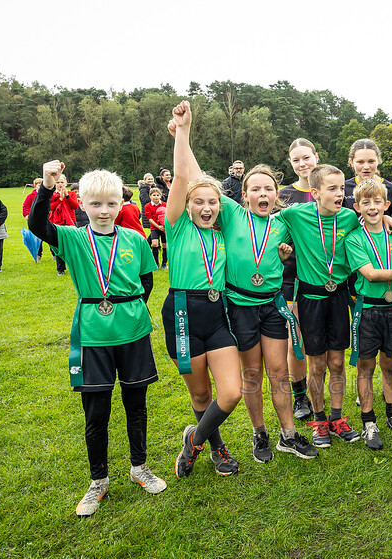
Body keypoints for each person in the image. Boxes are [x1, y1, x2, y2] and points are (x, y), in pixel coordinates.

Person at [29, 160, 165, 517]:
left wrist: (128, 310)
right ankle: (98, 481)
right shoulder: (72, 237)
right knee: (97, 411)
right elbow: (37, 225)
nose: (103, 211)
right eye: (95, 204)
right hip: (92, 334)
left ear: (120, 204)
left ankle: (139, 467)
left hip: (133, 333)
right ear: (82, 203)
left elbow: (147, 281)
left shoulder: (134, 238)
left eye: (111, 204)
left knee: (136, 405)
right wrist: (46, 184)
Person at [214, 159, 319, 462]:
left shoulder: (284, 222)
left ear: (276, 195)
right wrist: (183, 132)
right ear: (244, 195)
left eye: (269, 189)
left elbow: (328, 207)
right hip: (240, 307)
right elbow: (195, 177)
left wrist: (384, 220)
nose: (263, 193)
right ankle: (260, 433)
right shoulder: (233, 214)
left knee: (279, 372)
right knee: (252, 375)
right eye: (255, 189)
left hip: (273, 305)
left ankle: (288, 435)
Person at [166, 101, 242, 478]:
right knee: (199, 394)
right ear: (188, 205)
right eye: (200, 201)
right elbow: (183, 177)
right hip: (182, 311)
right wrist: (184, 130)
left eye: (213, 201)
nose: (207, 206)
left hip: (217, 314)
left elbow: (200, 182)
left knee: (230, 393)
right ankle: (217, 448)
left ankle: (194, 440)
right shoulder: (177, 226)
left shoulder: (223, 231)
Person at [276, 163, 364, 448]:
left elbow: (371, 227)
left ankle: (337, 419)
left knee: (337, 362)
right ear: (315, 193)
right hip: (310, 298)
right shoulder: (295, 214)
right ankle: (319, 419)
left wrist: (387, 221)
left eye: (342, 189)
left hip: (338, 296)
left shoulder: (349, 218)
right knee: (317, 365)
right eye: (333, 189)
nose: (341, 194)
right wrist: (282, 248)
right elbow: (267, 225)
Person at [345, 178, 392, 449]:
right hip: (368, 309)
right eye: (366, 202)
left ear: (387, 204)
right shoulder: (354, 238)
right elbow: (372, 275)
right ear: (357, 207)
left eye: (378, 202)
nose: (373, 207)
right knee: (366, 367)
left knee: (390, 364)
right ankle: (368, 421)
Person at [278, 138, 320, 421]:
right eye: (296, 160)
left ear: (316, 156)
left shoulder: (330, 184)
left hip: (325, 278)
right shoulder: (283, 195)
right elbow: (274, 233)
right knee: (298, 340)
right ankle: (300, 396)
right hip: (292, 278)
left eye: (306, 157)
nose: (303, 164)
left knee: (324, 342)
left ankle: (322, 393)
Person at [343, 139, 392, 215]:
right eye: (360, 162)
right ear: (351, 162)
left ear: (378, 160)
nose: (366, 167)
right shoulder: (344, 188)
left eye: (371, 161)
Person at [49, 173, 77, 275]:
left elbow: (75, 206)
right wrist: (59, 199)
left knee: (72, 246)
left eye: (62, 182)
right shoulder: (52, 195)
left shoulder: (71, 194)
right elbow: (50, 207)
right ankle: (60, 269)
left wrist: (66, 196)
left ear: (66, 183)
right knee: (59, 246)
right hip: (56, 223)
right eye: (58, 182)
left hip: (69, 222)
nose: (60, 184)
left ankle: (74, 267)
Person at [144, 187, 168, 269]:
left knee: (165, 245)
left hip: (164, 227)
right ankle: (156, 263)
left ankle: (164, 263)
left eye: (158, 195)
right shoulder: (147, 206)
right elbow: (149, 219)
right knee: (154, 244)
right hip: (155, 227)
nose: (156, 197)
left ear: (160, 196)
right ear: (150, 196)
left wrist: (164, 226)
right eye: (154, 195)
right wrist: (158, 226)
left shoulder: (165, 205)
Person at [23, 178, 44, 262]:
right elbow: (26, 206)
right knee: (38, 239)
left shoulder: (47, 194)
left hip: (46, 219)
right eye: (39, 185)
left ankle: (54, 254)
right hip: (35, 220)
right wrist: (27, 215)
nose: (41, 187)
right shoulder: (30, 196)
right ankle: (38, 255)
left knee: (50, 237)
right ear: (35, 186)